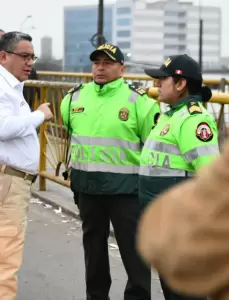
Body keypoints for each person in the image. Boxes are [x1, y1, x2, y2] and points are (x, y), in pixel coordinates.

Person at [60, 44, 161, 299]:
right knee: (93, 252)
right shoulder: (73, 99)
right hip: (87, 189)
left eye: (107, 63)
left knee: (134, 253)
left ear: (122, 69)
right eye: (96, 63)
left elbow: (155, 149)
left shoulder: (140, 103)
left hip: (126, 192)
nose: (100, 68)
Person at [140, 54, 220, 299]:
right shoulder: (171, 115)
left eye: (161, 80)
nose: (156, 85)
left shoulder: (194, 121)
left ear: (180, 84)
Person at [137, 121, 229, 300]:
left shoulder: (193, 121)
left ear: (180, 89)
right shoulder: (170, 116)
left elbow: (212, 180)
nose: (158, 90)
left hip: (179, 220)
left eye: (162, 88)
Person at [0, 31, 53, 299]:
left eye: (32, 56)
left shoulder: (12, 87)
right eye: (24, 56)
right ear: (4, 56)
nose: (29, 62)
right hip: (9, 180)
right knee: (6, 259)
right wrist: (39, 115)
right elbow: (3, 128)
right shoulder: (2, 87)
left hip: (9, 178)